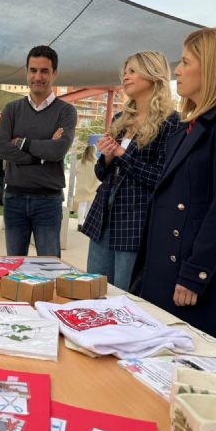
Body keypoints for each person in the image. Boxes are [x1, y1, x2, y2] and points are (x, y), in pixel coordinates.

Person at [130, 27, 216, 343]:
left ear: (212, 67)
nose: (177, 70)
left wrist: (194, 274)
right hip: (165, 268)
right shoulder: (188, 125)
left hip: (190, 278)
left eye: (186, 62)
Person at [82, 51, 179, 291]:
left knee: (125, 296)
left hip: (136, 223)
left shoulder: (171, 123)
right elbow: (101, 174)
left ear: (153, 73)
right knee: (95, 291)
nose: (126, 76)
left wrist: (122, 156)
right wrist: (105, 157)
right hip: (103, 218)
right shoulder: (120, 118)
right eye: (125, 71)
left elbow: (162, 178)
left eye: (133, 71)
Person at [0, 45, 77, 257]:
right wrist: (42, 154)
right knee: (14, 266)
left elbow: (58, 150)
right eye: (33, 70)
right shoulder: (11, 110)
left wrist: (22, 143)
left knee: (49, 267)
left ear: (54, 74)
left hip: (48, 202)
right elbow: (0, 148)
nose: (37, 76)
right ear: (27, 72)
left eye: (44, 71)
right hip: (14, 199)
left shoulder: (66, 112)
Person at [73, 145, 98, 231]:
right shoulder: (96, 163)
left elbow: (76, 173)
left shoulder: (80, 162)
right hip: (92, 187)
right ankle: (87, 224)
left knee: (82, 206)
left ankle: (80, 224)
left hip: (81, 187)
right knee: (89, 207)